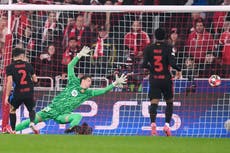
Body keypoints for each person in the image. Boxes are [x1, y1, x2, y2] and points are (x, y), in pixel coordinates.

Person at [15, 46, 127, 134]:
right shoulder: (74, 82)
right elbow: (70, 66)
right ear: (82, 80)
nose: (90, 83)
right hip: (51, 109)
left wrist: (115, 83)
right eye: (88, 81)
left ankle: (72, 128)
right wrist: (78, 55)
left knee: (77, 116)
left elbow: (103, 91)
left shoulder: (88, 93)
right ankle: (10, 129)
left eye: (90, 82)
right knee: (31, 121)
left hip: (62, 115)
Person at [142, 28, 182, 136]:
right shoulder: (169, 47)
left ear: (155, 36)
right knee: (169, 102)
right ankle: (167, 125)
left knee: (154, 102)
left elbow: (143, 64)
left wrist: (152, 70)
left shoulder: (149, 48)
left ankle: (153, 124)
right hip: (166, 79)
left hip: (154, 79)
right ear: (165, 36)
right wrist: (179, 69)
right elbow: (172, 63)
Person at [4, 48, 38, 134]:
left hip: (18, 92)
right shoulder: (28, 65)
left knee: (12, 110)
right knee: (31, 109)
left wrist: (7, 96)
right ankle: (32, 122)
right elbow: (35, 79)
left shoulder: (9, 67)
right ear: (21, 56)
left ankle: (13, 130)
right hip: (29, 91)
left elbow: (10, 82)